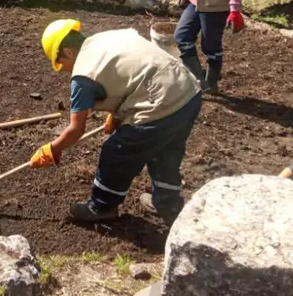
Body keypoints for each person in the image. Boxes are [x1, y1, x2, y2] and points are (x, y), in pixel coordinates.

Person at [31, 19, 203, 225]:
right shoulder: (108, 37)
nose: (65, 70)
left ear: (68, 52)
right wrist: (118, 114)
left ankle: (102, 206)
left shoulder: (83, 75)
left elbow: (76, 129)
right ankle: (167, 204)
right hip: (188, 91)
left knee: (116, 152)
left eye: (61, 65)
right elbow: (131, 72)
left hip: (161, 102)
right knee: (166, 150)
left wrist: (52, 149)